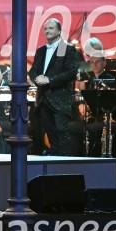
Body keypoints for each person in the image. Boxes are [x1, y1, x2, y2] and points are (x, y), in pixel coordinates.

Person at [27, 19, 78, 156]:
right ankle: (54, 162)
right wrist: (36, 78)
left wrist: (49, 80)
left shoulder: (66, 48)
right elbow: (33, 71)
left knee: (62, 131)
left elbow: (71, 72)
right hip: (44, 98)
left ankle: (65, 164)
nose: (47, 31)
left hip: (60, 98)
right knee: (50, 133)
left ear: (59, 31)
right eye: (46, 29)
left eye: (51, 28)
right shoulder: (41, 50)